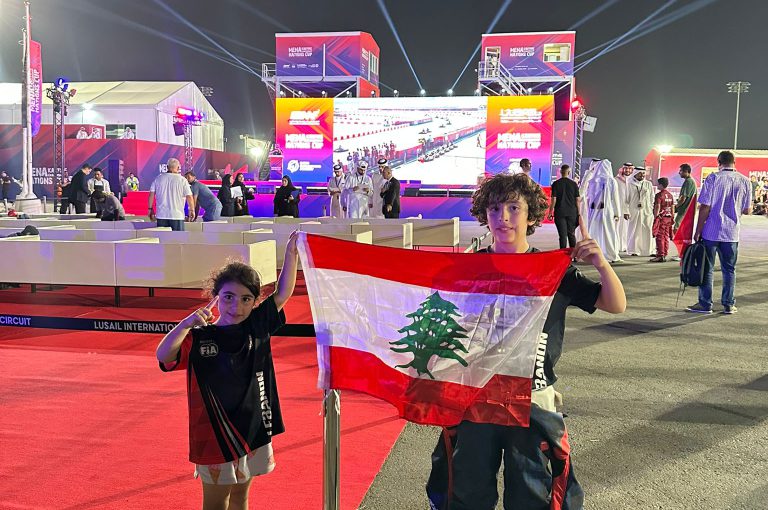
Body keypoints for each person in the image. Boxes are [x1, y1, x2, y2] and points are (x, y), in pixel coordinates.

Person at [426, 173, 626, 510]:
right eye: (494, 209)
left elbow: (615, 304)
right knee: (468, 491)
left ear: (532, 215)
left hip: (533, 398)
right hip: (476, 397)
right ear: (484, 215)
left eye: (513, 208)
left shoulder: (552, 270)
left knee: (531, 493)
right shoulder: (466, 269)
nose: (503, 217)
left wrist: (601, 263)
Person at [156, 234, 300, 510]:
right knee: (215, 503)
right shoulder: (199, 337)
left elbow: (283, 293)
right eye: (229, 297)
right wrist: (185, 324)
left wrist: (291, 254)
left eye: (246, 299)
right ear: (216, 298)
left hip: (253, 429)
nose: (237, 306)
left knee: (240, 498)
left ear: (255, 301)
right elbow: (164, 356)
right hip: (213, 436)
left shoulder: (256, 326)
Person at [686, 150, 752, 315]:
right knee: (729, 270)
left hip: (711, 232)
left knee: (707, 268)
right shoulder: (745, 181)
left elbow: (705, 207)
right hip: (731, 233)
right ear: (734, 162)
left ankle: (705, 304)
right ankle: (728, 304)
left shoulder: (713, 178)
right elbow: (748, 209)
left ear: (719, 162)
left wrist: (698, 229)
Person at [581, 160, 623, 263]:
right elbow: (615, 198)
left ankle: (593, 254)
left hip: (594, 210)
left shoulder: (592, 181)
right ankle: (609, 253)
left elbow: (586, 196)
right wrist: (617, 213)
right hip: (606, 211)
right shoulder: (611, 181)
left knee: (594, 231)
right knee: (608, 233)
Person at [148, 158, 195, 231]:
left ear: (167, 167)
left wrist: (150, 209)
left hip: (161, 215)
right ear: (178, 168)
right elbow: (189, 196)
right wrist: (192, 210)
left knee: (162, 240)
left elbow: (151, 194)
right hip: (177, 215)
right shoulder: (182, 180)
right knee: (178, 241)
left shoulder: (158, 179)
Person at [547, 164, 583, 249]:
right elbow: (577, 200)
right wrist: (579, 213)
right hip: (572, 212)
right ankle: (573, 255)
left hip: (560, 212)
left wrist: (550, 212)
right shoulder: (574, 184)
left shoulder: (556, 184)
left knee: (562, 236)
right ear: (569, 172)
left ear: (561, 172)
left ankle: (562, 256)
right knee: (571, 234)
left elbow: (553, 199)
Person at [625, 167, 654, 256]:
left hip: (646, 211)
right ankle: (633, 250)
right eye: (640, 173)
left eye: (643, 173)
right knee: (634, 230)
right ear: (635, 174)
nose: (642, 175)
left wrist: (650, 208)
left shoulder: (648, 184)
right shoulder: (630, 184)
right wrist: (625, 211)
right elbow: (626, 199)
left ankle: (647, 250)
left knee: (647, 229)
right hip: (634, 210)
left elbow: (652, 197)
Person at [650, 177, 674, 262]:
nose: (657, 185)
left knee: (659, 236)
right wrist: (672, 217)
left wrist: (656, 216)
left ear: (661, 184)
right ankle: (664, 253)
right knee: (666, 236)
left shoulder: (659, 195)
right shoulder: (670, 195)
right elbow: (672, 207)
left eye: (658, 184)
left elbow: (657, 206)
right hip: (668, 218)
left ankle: (660, 255)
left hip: (661, 218)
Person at [615, 163, 634, 253]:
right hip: (619, 207)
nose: (628, 171)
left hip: (631, 208)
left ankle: (627, 245)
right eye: (626, 169)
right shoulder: (616, 180)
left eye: (630, 169)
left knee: (628, 228)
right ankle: (619, 245)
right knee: (619, 227)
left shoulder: (633, 181)